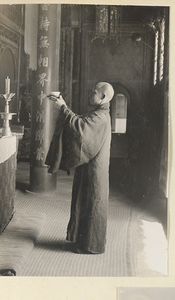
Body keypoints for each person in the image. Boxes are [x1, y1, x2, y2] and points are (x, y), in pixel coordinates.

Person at [45, 82, 114, 254]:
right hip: (90, 167)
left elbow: (82, 128)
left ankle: (91, 246)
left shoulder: (101, 117)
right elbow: (82, 122)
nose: (90, 94)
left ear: (103, 97)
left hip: (95, 170)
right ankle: (82, 242)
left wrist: (64, 108)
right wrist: (64, 107)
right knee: (84, 202)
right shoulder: (100, 113)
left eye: (93, 92)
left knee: (92, 203)